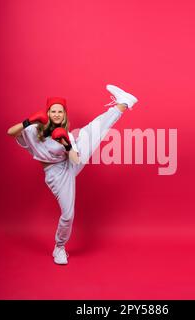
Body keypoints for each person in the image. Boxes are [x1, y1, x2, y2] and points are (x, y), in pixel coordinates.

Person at [7, 84, 138, 265]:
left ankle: (122, 105)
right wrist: (29, 121)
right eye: (53, 111)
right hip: (57, 175)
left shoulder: (66, 134)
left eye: (60, 111)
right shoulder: (33, 130)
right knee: (68, 215)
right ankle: (59, 247)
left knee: (91, 131)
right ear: (48, 113)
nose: (57, 114)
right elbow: (10, 132)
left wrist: (67, 144)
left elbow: (76, 160)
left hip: (70, 163)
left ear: (64, 114)